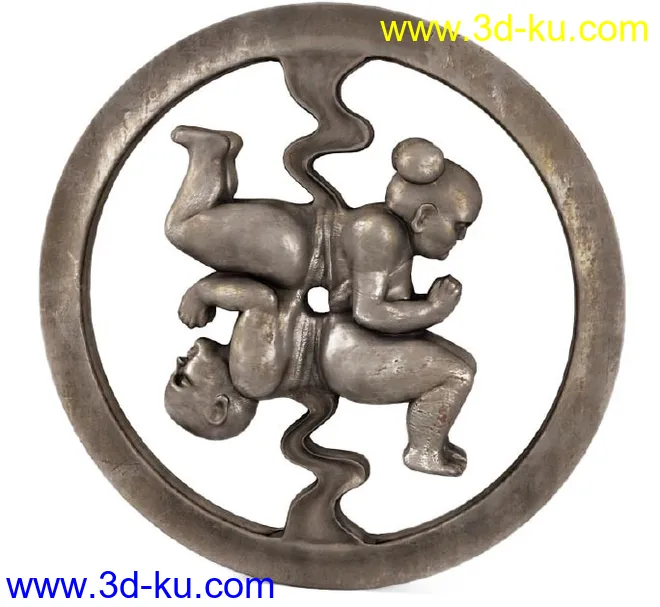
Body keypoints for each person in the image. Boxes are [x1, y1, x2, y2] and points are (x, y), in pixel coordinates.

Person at [165, 273, 476, 477]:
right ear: (219, 407)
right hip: (348, 358)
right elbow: (259, 300)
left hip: (344, 350)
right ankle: (423, 451)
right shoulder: (247, 374)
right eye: (183, 379)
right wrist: (201, 292)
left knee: (462, 366)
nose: (179, 361)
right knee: (455, 374)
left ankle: (428, 445)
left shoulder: (249, 369)